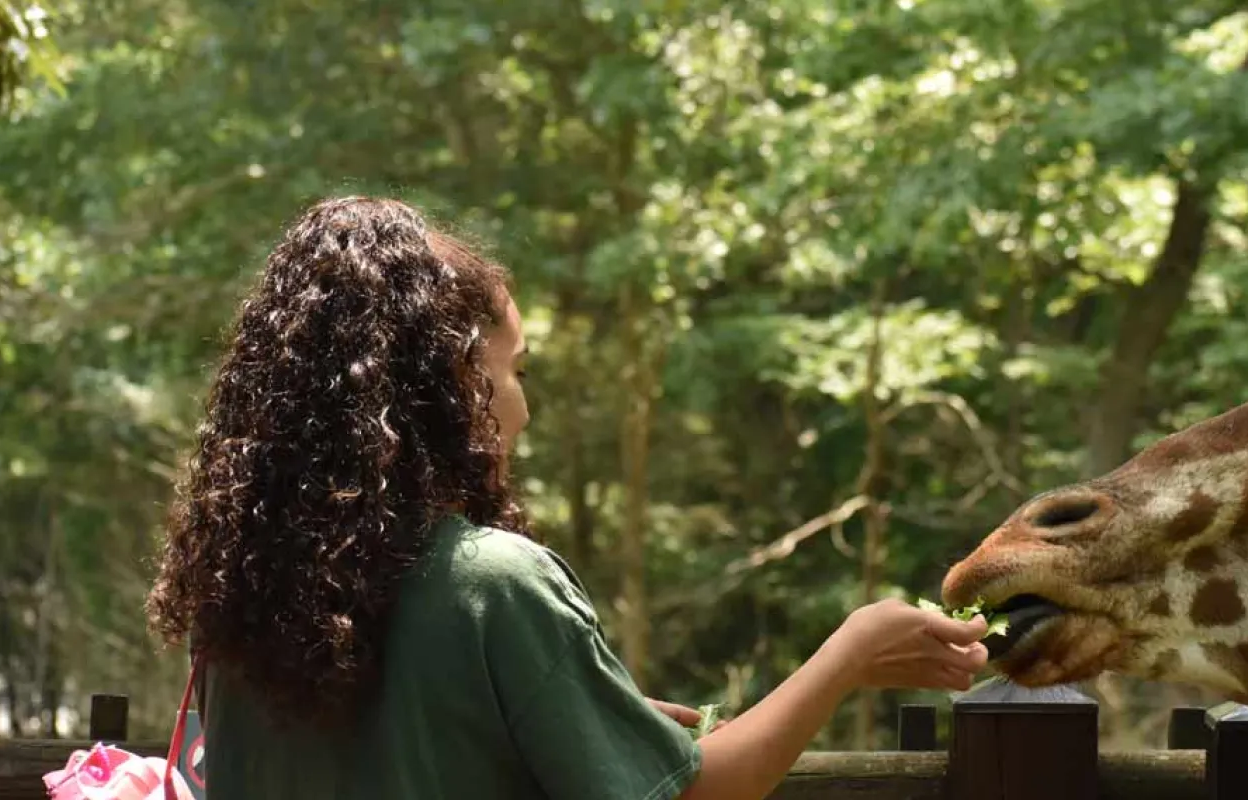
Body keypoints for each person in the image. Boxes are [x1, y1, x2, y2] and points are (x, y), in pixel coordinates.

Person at [145, 196, 989, 800]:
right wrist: (849, 655)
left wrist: (581, 715)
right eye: (514, 371)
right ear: (449, 383)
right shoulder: (493, 586)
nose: (523, 405)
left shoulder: (243, 597)